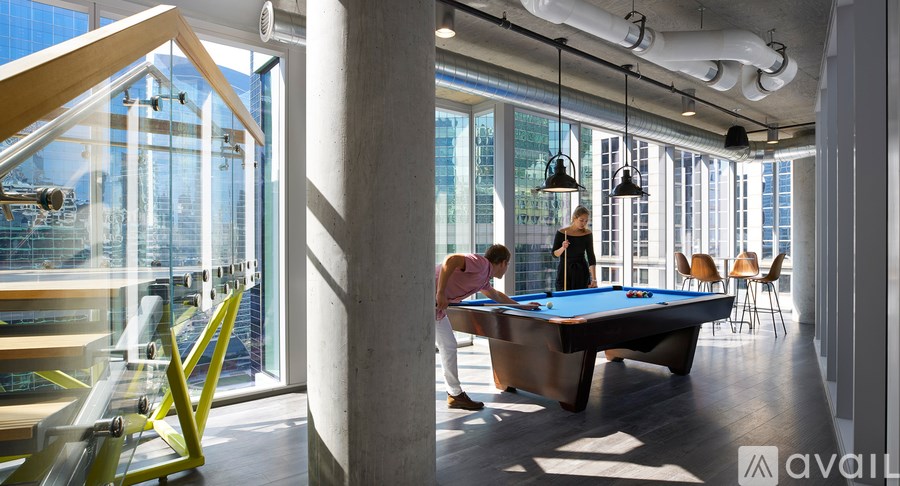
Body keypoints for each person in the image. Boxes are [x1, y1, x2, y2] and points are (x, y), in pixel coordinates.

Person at [434, 244, 538, 410]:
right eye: (508, 265)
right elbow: (451, 260)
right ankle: (453, 394)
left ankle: (454, 395)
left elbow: (496, 295)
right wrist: (440, 292)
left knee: (449, 346)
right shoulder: (481, 264)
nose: (507, 269)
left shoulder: (483, 278)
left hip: (437, 309)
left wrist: (521, 306)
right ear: (503, 263)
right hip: (425, 294)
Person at [551, 205, 597, 291]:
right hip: (565, 271)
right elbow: (554, 254)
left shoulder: (587, 234)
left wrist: (594, 279)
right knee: (563, 298)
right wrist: (563, 247)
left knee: (582, 299)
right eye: (581, 220)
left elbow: (591, 256)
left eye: (586, 221)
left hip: (581, 271)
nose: (583, 223)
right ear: (574, 218)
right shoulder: (562, 232)